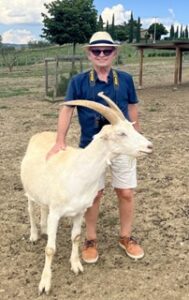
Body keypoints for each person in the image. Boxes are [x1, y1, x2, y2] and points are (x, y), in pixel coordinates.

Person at [47, 31, 144, 263]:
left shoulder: (126, 80)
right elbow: (67, 109)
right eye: (96, 51)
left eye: (107, 50)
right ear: (89, 54)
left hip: (120, 147)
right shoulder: (78, 82)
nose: (102, 54)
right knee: (94, 194)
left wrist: (136, 135)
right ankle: (90, 239)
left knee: (126, 192)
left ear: (114, 53)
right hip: (91, 149)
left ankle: (126, 237)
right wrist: (60, 140)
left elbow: (132, 108)